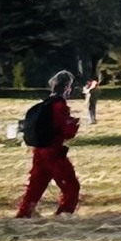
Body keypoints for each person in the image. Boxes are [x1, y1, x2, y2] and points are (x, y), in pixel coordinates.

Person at [15, 70, 81, 219]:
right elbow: (66, 131)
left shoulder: (45, 103)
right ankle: (63, 216)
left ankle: (23, 215)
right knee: (71, 187)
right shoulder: (59, 105)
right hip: (53, 153)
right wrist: (74, 124)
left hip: (38, 152)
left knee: (34, 189)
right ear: (67, 87)